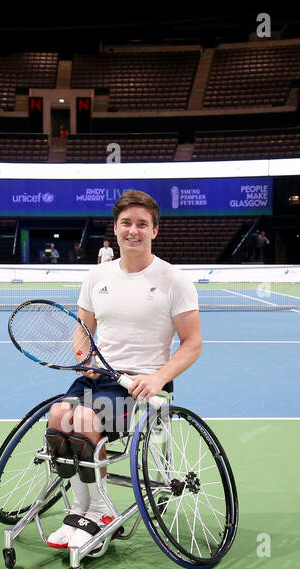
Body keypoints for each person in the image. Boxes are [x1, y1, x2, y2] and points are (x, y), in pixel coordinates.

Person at [43, 190, 203, 550]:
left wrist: (158, 377)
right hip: (96, 377)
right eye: (126, 223)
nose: (134, 230)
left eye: (142, 224)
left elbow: (192, 342)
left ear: (154, 231)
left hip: (140, 385)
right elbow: (83, 330)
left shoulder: (173, 280)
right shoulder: (96, 275)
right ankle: (82, 508)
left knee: (82, 422)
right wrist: (84, 357)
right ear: (115, 229)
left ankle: (101, 511)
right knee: (57, 418)